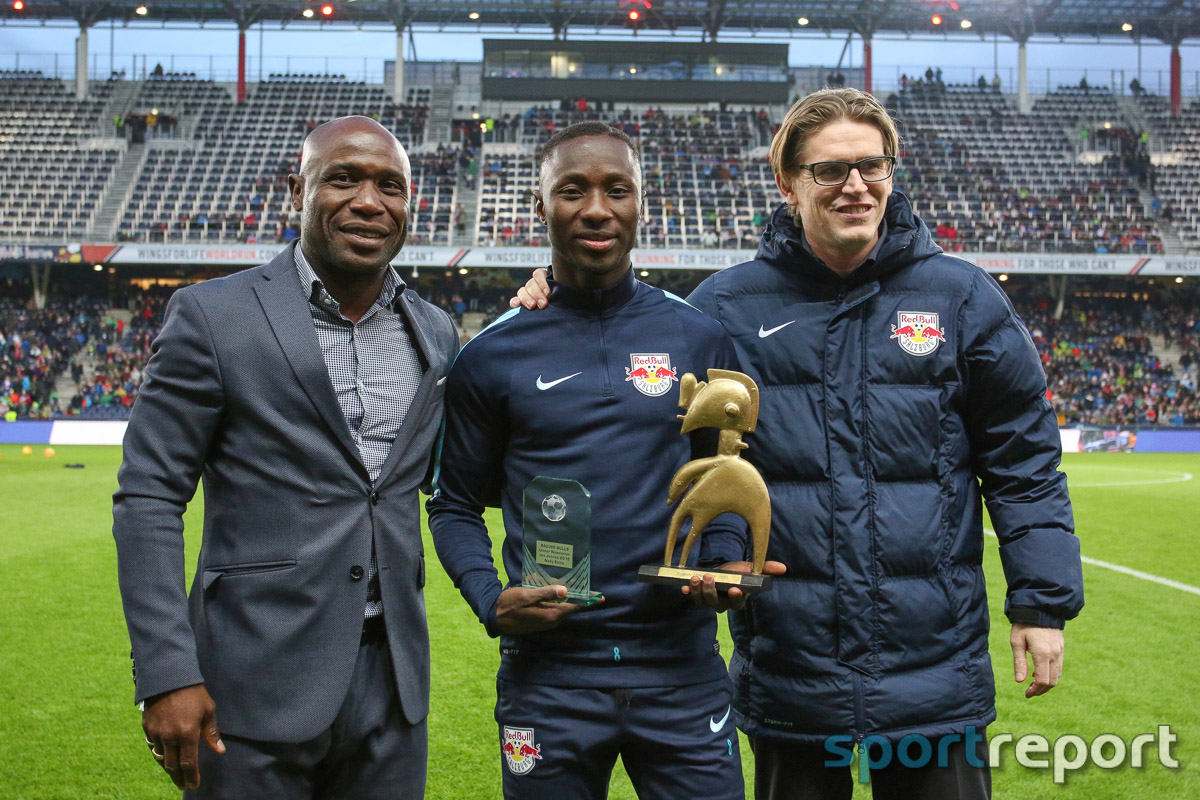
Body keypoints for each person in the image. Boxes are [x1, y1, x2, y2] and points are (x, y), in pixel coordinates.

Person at [511, 88, 1084, 799]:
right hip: (792, 665)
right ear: (787, 183)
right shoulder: (723, 308)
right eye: (829, 170)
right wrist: (549, 296)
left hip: (936, 671)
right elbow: (646, 414)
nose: (855, 186)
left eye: (872, 166)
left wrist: (1040, 604)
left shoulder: (963, 300)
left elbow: (1023, 462)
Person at [428, 121, 780, 800]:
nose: (596, 207)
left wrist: (728, 556)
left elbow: (726, 472)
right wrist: (489, 599)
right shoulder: (491, 353)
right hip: (548, 676)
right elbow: (453, 505)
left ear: (641, 204)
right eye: (572, 190)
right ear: (540, 206)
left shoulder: (697, 334)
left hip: (680, 670)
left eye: (616, 189)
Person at [112, 116, 459, 799]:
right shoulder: (213, 317)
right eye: (343, 178)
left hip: (393, 690)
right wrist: (165, 671)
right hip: (250, 683)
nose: (369, 200)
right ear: (294, 191)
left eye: (390, 185)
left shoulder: (435, 331)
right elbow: (148, 497)